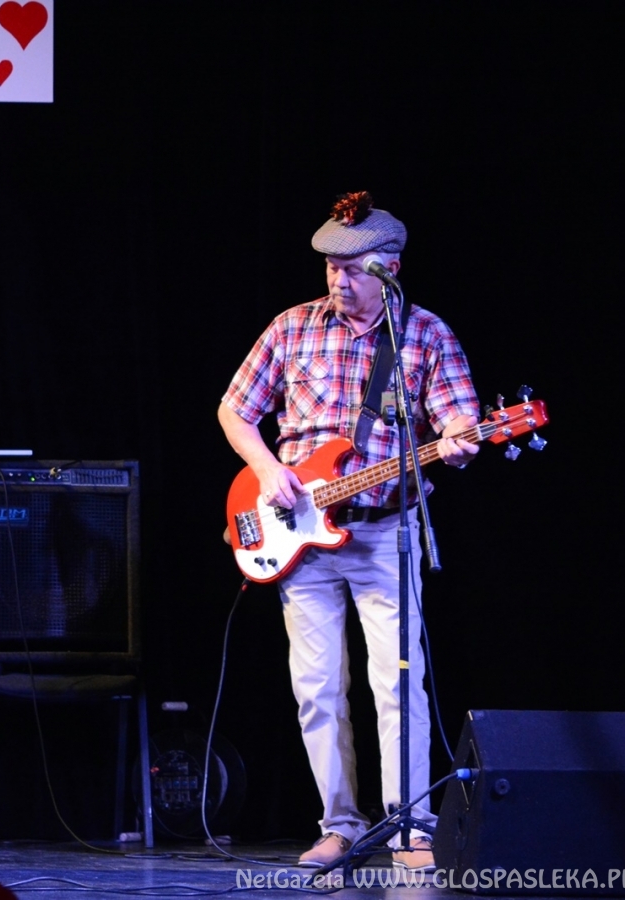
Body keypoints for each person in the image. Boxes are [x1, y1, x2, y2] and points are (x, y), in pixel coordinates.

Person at [217, 193, 480, 872]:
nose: (338, 279)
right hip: (298, 537)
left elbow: (457, 420)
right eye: (330, 267)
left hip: (385, 531)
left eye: (353, 269)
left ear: (389, 268)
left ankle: (410, 828)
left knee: (398, 686)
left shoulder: (425, 335)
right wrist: (267, 469)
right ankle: (337, 825)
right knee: (316, 688)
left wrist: (459, 438)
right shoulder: (291, 327)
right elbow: (235, 410)